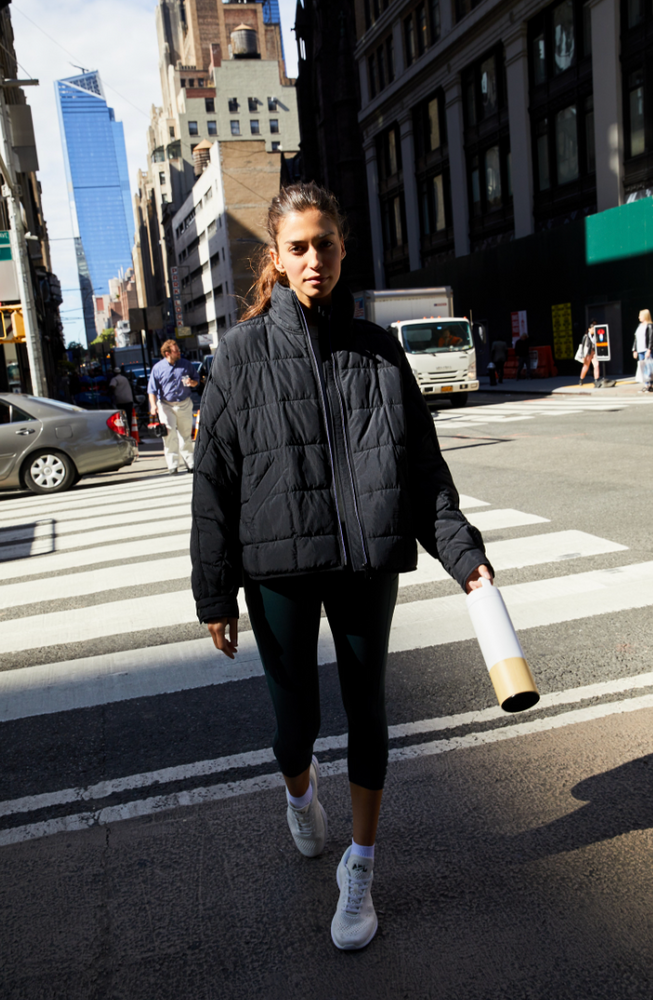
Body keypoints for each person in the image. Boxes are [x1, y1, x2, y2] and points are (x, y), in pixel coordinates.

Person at [190, 183, 493, 951]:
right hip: (278, 566)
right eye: (298, 246)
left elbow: (422, 470)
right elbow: (214, 478)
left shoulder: (378, 348)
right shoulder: (240, 352)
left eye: (324, 243)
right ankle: (299, 797)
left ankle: (358, 867)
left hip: (365, 561)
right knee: (296, 726)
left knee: (366, 711)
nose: (314, 258)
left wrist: (465, 559)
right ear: (278, 257)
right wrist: (213, 588)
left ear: (342, 248)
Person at [147, 339, 198, 474]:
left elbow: (197, 381)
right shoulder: (158, 368)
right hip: (166, 405)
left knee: (185, 434)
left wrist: (192, 382)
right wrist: (153, 406)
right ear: (167, 353)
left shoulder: (186, 364)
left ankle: (190, 463)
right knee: (169, 434)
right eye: (176, 351)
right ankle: (172, 465)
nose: (179, 353)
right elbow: (151, 389)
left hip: (184, 403)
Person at [631, 308, 653, 393]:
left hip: (646, 349)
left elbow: (651, 338)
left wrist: (649, 350)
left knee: (649, 367)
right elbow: (636, 338)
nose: (639, 317)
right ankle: (647, 384)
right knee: (643, 368)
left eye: (640, 315)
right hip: (640, 350)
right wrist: (634, 350)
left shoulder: (650, 325)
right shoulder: (639, 326)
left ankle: (648, 385)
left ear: (645, 316)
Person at [579, 322, 601, 387]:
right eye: (593, 329)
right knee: (586, 367)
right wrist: (582, 355)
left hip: (594, 352)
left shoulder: (596, 336)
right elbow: (582, 346)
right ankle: (581, 379)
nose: (594, 330)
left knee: (596, 365)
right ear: (589, 329)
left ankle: (596, 380)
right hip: (587, 353)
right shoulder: (586, 336)